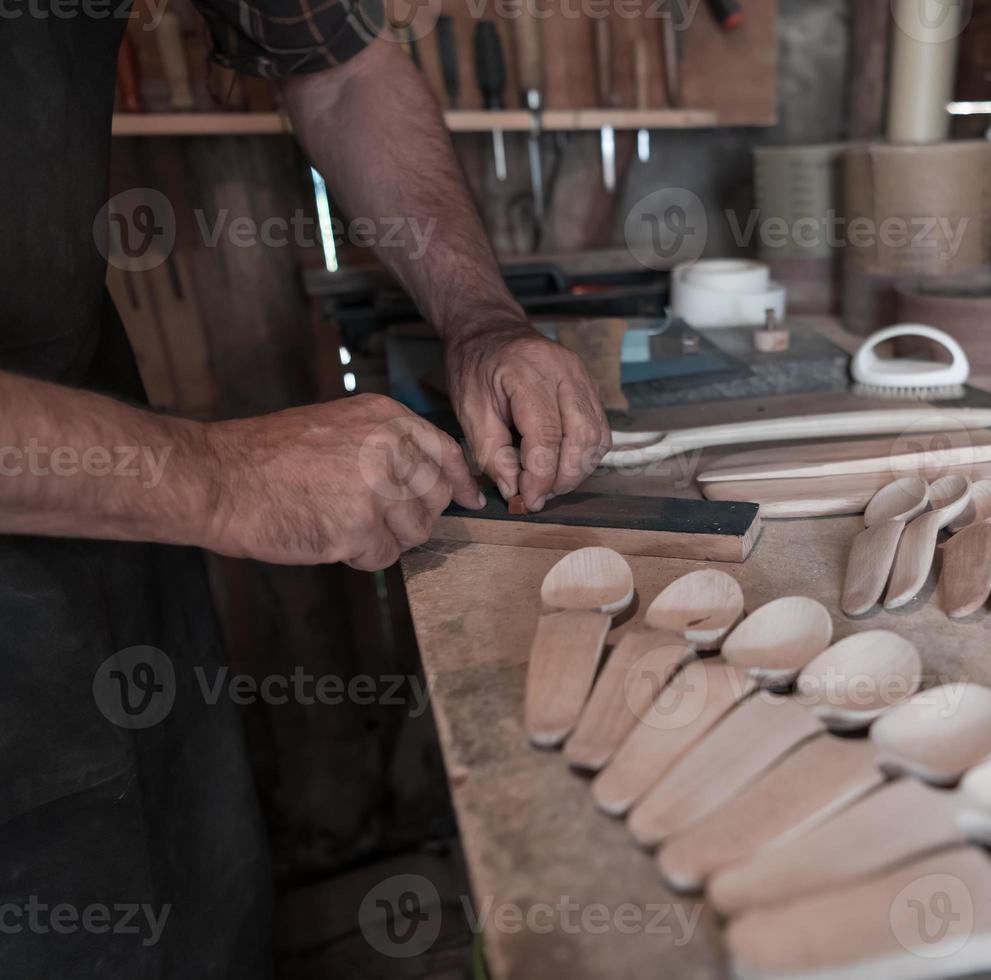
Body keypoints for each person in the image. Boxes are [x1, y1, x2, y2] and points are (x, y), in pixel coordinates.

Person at [0, 2, 610, 974]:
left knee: (199, 886)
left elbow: (340, 70)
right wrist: (219, 477)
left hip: (102, 450)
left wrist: (483, 319)